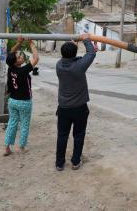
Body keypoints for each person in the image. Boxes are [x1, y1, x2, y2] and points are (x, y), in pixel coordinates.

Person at [55, 32, 96, 171]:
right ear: (74, 54)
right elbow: (91, 53)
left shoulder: (59, 65)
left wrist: (74, 45)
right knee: (78, 135)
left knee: (62, 136)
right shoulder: (79, 66)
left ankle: (59, 163)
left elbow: (71, 56)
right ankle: (75, 162)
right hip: (79, 108)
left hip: (63, 108)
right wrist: (86, 39)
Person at [3, 37, 39, 156]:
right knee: (24, 124)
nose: (21, 57)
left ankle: (7, 147)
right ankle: (22, 147)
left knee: (12, 123)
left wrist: (19, 43)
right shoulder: (23, 71)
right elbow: (36, 58)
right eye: (19, 57)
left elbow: (11, 54)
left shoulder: (11, 69)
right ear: (16, 62)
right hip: (24, 102)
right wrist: (31, 44)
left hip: (12, 101)